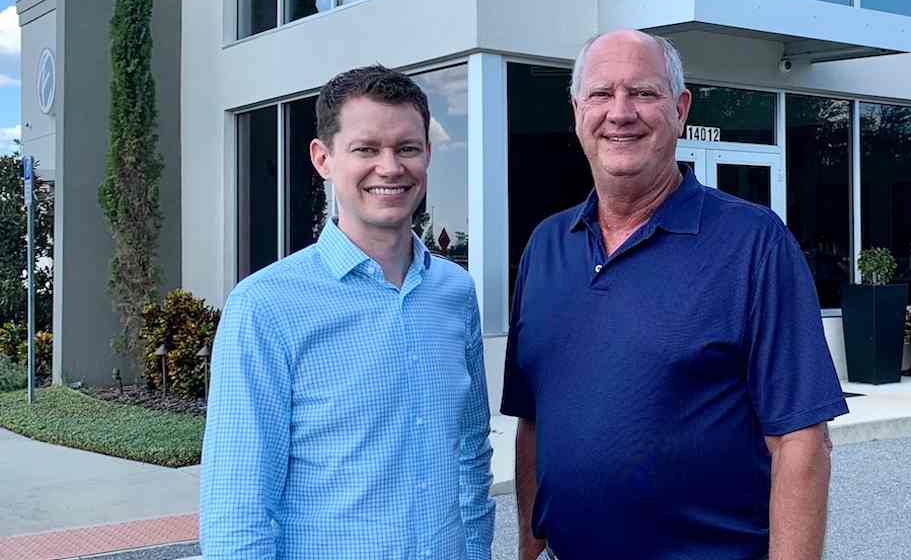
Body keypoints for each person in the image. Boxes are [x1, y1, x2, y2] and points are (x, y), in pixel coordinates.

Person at [502, 30, 847, 559]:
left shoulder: (753, 244)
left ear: (680, 108)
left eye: (643, 92)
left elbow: (801, 441)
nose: (620, 113)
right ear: (576, 111)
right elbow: (533, 425)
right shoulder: (546, 246)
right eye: (600, 94)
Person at [200, 66, 494, 559]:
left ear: (427, 154)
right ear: (324, 158)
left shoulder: (455, 293)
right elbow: (238, 509)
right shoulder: (265, 307)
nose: (390, 167)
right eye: (366, 149)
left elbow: (470, 450)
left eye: (407, 148)